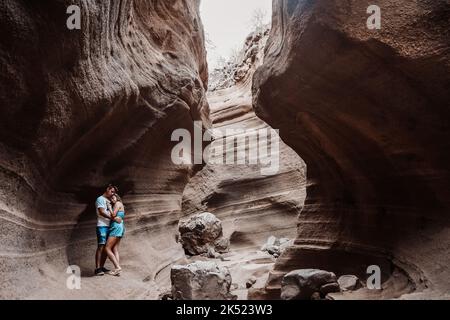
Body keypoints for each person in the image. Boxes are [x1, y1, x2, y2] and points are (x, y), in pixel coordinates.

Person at [94, 184, 118, 276]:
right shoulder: (100, 199)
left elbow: (111, 213)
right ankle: (97, 268)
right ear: (107, 189)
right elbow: (101, 212)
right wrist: (112, 219)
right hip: (102, 226)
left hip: (109, 226)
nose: (112, 194)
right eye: (111, 191)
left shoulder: (108, 201)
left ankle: (101, 267)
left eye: (114, 193)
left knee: (106, 248)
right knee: (101, 246)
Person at [104, 194, 126, 276]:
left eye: (113, 197)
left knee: (107, 248)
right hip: (120, 226)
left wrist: (109, 207)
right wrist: (114, 218)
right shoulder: (120, 204)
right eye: (111, 198)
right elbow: (115, 217)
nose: (112, 199)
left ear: (117, 197)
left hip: (116, 227)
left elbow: (113, 215)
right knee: (115, 248)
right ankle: (117, 268)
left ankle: (117, 267)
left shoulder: (117, 203)